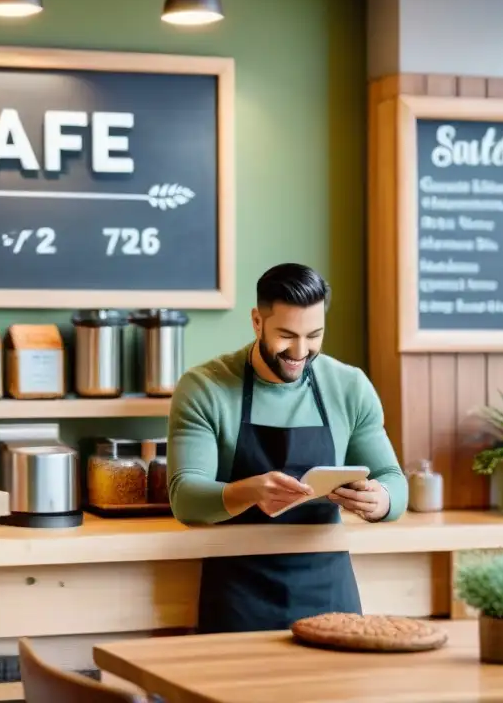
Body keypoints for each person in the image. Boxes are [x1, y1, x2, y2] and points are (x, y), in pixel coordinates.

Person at [167, 263, 408, 634]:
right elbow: (186, 498)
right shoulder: (205, 387)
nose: (300, 350)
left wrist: (382, 501)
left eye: (314, 335)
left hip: (328, 588)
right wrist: (250, 490)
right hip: (238, 590)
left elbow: (394, 481)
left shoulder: (349, 386)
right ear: (256, 322)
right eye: (286, 335)